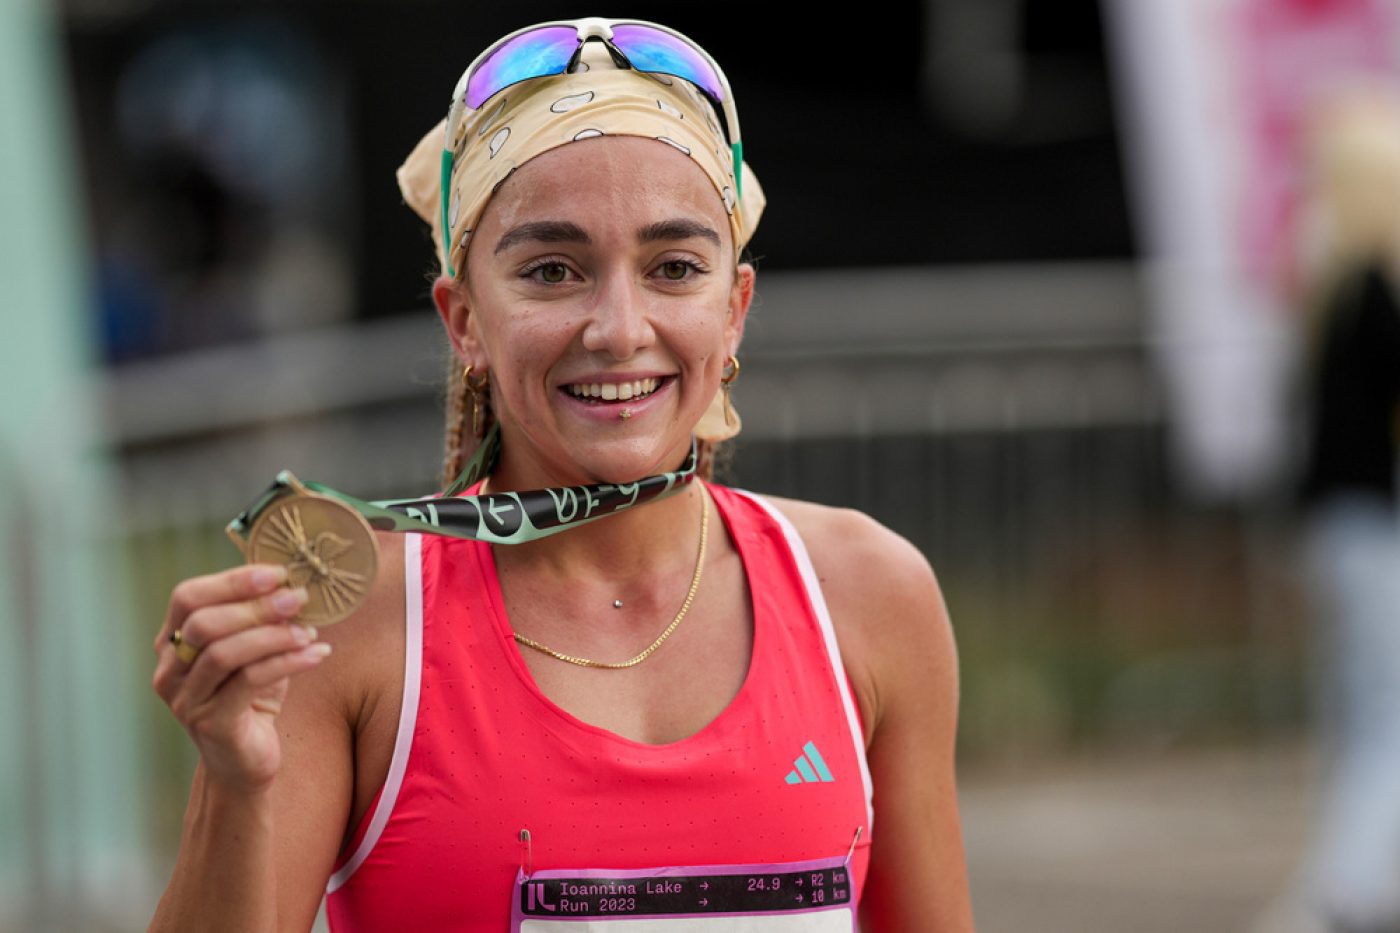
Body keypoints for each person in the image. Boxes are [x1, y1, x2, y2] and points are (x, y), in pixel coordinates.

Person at [150, 18, 974, 931]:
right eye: (552, 271)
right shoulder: (355, 628)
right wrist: (231, 784)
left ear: (735, 308)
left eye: (674, 267)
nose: (619, 329)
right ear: (464, 320)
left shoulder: (866, 595)